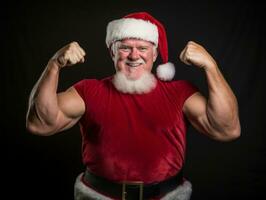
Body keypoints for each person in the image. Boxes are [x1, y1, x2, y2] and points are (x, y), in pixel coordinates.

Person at [26, 12, 241, 200]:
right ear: (112, 52)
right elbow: (40, 123)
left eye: (142, 48)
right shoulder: (89, 90)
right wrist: (54, 64)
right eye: (125, 48)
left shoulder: (179, 92)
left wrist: (211, 66)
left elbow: (227, 128)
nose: (134, 55)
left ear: (155, 54)